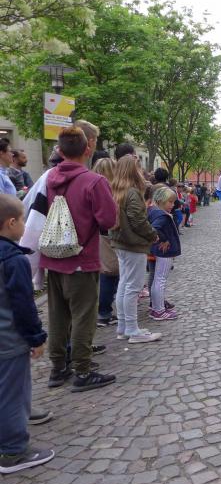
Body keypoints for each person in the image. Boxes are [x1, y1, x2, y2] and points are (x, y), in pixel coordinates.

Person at [40, 127, 118, 391]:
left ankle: (58, 368)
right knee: (83, 316)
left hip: (53, 258)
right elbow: (108, 220)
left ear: (60, 151)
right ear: (88, 149)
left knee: (57, 316)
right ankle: (82, 371)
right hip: (81, 259)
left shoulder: (49, 178)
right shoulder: (94, 181)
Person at [0, 194, 54, 474]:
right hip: (9, 340)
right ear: (11, 223)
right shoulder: (14, 260)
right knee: (13, 393)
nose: (25, 225)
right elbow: (23, 305)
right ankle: (13, 452)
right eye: (22, 219)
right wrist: (36, 337)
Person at [110, 157, 162, 344]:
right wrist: (152, 234)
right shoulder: (132, 192)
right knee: (133, 287)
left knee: (124, 285)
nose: (142, 171)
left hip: (121, 244)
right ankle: (132, 330)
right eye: (139, 168)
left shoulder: (117, 191)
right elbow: (138, 220)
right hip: (133, 245)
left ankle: (124, 327)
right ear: (133, 170)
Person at [92, 158, 119, 328]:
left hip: (94, 236)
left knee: (105, 274)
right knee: (109, 273)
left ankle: (103, 310)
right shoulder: (107, 190)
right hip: (106, 236)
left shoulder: (90, 186)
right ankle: (103, 312)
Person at [148, 186, 181, 321]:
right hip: (164, 252)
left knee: (157, 280)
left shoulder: (153, 211)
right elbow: (153, 229)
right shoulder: (161, 215)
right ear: (161, 201)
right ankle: (159, 310)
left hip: (158, 251)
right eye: (170, 202)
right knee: (160, 280)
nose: (172, 205)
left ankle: (156, 307)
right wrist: (164, 239)